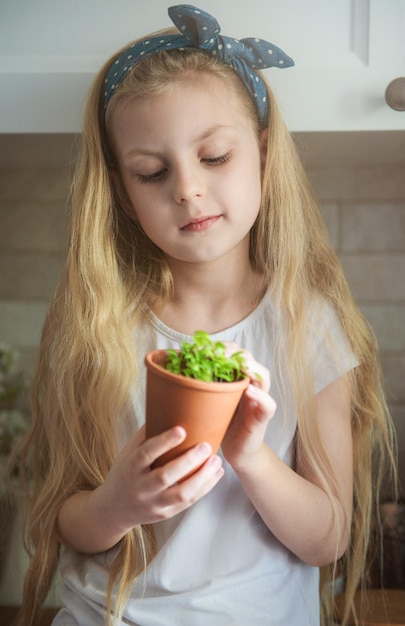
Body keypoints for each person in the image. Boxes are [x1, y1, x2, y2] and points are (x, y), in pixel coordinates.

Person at [15, 5, 397, 626]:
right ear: (122, 190)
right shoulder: (99, 328)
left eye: (214, 157)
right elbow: (65, 523)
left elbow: (328, 540)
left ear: (264, 154)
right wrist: (117, 503)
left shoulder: (310, 326)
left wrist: (250, 455)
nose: (187, 189)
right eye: (152, 172)